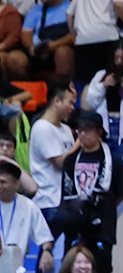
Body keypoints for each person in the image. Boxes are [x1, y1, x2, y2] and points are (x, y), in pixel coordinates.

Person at [57, 111, 123, 273]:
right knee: (71, 270)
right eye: (79, 130)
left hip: (101, 226)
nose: (82, 134)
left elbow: (120, 193)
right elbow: (66, 191)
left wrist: (100, 205)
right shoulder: (71, 160)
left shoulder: (113, 160)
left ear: (99, 131)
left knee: (101, 272)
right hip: (75, 225)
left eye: (87, 129)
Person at [28, 79, 76, 216]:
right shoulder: (42, 128)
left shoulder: (66, 129)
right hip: (49, 202)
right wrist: (80, 143)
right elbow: (60, 163)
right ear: (57, 101)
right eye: (70, 102)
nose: (72, 108)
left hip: (66, 199)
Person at [23, 0, 74, 80]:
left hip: (60, 46)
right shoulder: (35, 9)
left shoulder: (71, 8)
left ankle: (62, 86)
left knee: (63, 52)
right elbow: (26, 32)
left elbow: (75, 34)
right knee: (14, 59)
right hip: (38, 50)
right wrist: (30, 47)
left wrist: (54, 45)